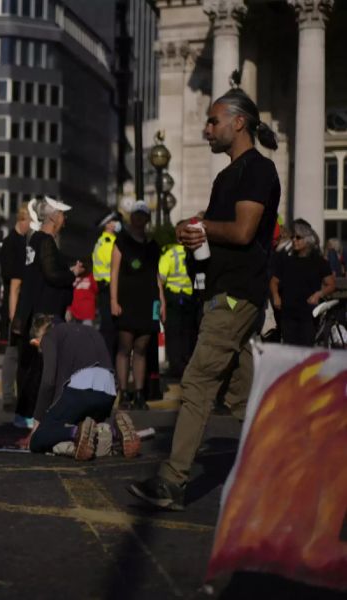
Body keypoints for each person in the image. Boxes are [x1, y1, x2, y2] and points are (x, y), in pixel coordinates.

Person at [129, 88, 281, 511]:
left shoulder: (258, 170)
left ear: (238, 122)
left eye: (213, 121)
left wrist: (202, 226)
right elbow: (218, 233)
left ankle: (173, 481)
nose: (206, 128)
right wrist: (192, 232)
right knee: (240, 396)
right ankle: (285, 467)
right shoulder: (224, 177)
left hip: (236, 295)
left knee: (196, 384)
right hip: (223, 291)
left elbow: (244, 231)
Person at [25, 315, 140, 460]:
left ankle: (75, 432)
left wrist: (38, 421)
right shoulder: (89, 330)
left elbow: (48, 382)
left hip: (80, 390)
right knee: (94, 440)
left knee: (38, 440)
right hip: (108, 392)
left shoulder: (49, 337)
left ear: (36, 341)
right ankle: (112, 433)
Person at [12, 198, 82, 430]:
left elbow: (44, 272)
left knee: (33, 366)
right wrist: (71, 275)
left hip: (37, 311)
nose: (65, 219)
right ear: (54, 217)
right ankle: (29, 413)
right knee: (40, 367)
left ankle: (26, 413)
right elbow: (51, 274)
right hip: (45, 314)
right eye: (63, 215)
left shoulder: (36, 240)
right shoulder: (46, 241)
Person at [111, 200, 165, 410]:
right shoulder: (121, 241)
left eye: (143, 215)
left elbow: (156, 275)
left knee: (142, 347)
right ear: (131, 217)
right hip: (126, 301)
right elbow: (114, 272)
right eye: (136, 214)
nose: (140, 218)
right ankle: (124, 393)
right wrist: (114, 301)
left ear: (147, 219)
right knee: (125, 347)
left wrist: (162, 302)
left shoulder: (153, 247)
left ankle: (140, 394)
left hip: (147, 301)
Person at [270, 221, 336, 346]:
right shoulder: (286, 259)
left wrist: (318, 294)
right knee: (290, 351)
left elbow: (331, 284)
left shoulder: (319, 261)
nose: (294, 240)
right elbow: (274, 281)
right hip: (288, 314)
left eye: (298, 237)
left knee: (306, 351)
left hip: (308, 315)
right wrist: (276, 296)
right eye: (293, 237)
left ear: (308, 240)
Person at [0, 205, 32, 412]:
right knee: (12, 354)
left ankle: (17, 395)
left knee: (21, 354)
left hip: (21, 304)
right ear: (23, 220)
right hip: (14, 306)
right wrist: (13, 316)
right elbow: (12, 283)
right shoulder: (11, 244)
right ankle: (9, 396)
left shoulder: (24, 243)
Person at [159, 225, 197, 380]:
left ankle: (176, 368)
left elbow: (161, 278)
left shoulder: (169, 254)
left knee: (173, 334)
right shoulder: (193, 253)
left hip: (173, 298)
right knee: (188, 333)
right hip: (190, 298)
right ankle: (187, 365)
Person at [92, 211, 122, 355]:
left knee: (110, 328)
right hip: (109, 288)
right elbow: (116, 265)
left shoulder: (104, 241)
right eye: (114, 221)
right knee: (110, 329)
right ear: (108, 225)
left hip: (107, 288)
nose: (117, 223)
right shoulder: (107, 243)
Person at [68, 259, 97, 326]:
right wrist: (68, 309)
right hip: (74, 312)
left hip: (87, 312)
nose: (79, 268)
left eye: (81, 266)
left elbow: (96, 289)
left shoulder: (91, 276)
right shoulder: (72, 276)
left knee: (86, 333)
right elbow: (68, 294)